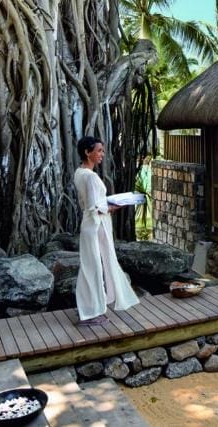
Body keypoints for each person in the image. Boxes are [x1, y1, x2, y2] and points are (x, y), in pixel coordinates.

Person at [74, 136, 139, 323]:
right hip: (96, 224)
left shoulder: (79, 173)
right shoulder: (91, 177)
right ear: (88, 152)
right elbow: (97, 207)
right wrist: (120, 204)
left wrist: (108, 203)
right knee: (95, 266)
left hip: (89, 224)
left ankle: (90, 306)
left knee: (90, 266)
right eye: (99, 150)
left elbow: (89, 203)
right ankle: (92, 311)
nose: (102, 154)